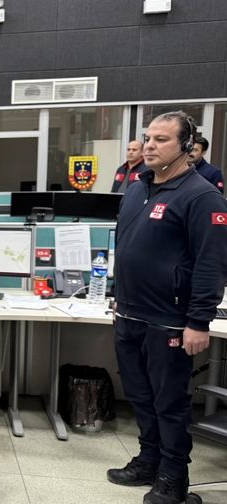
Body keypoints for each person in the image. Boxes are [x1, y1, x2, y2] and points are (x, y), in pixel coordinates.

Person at [108, 111, 227, 504]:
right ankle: (148, 460)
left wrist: (198, 320)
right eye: (147, 138)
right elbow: (125, 246)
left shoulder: (202, 195)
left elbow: (211, 263)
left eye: (161, 139)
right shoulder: (137, 188)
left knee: (170, 402)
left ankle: (174, 479)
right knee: (140, 396)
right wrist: (115, 291)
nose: (149, 146)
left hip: (170, 321)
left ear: (186, 146)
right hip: (128, 312)